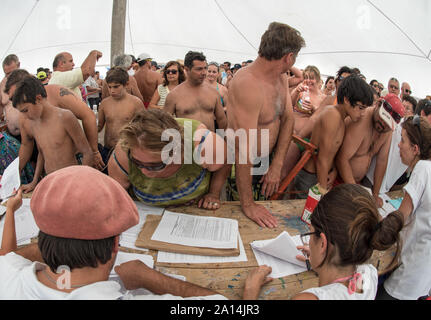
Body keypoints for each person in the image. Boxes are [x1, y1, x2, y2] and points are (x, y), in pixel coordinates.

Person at [0, 166, 227, 300]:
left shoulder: (7, 276)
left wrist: (10, 211)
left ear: (45, 241)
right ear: (115, 245)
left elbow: (7, 258)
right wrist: (149, 278)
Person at [245, 184, 403, 300]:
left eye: (312, 234)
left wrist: (250, 291)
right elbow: (349, 290)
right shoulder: (368, 274)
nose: (310, 242)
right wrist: (324, 261)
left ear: (323, 244)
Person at [225, 22, 303, 228]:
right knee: (241, 224)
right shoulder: (247, 84)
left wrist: (277, 164)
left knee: (267, 222)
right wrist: (248, 204)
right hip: (242, 167)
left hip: (267, 163)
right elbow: (243, 147)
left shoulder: (281, 78)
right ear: (289, 58)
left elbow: (288, 118)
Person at [108, 109, 228, 210]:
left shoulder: (201, 143)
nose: (144, 171)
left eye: (155, 166)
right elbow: (119, 196)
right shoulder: (124, 152)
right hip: (148, 211)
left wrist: (214, 193)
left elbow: (226, 161)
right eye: (137, 163)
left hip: (196, 208)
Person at [5, 69, 105, 179]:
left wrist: (95, 152)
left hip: (74, 168)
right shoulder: (32, 119)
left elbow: (88, 116)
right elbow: (32, 147)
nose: (14, 101)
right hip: (51, 176)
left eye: (15, 95)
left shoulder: (57, 95)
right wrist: (17, 173)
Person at [376, 115, 431, 300]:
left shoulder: (422, 168)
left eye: (403, 140)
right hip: (423, 282)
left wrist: (372, 231)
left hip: (406, 277)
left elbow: (402, 216)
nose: (399, 145)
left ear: (415, 149)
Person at [293, 75, 374, 198]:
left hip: (320, 177)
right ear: (346, 100)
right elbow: (322, 159)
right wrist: (323, 190)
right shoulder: (332, 115)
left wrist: (334, 171)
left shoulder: (342, 119)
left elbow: (333, 153)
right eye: (360, 108)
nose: (363, 114)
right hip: (310, 177)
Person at [336, 94, 405, 207]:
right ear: (377, 105)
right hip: (339, 179)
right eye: (383, 118)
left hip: (355, 184)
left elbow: (382, 162)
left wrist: (375, 194)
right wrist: (356, 192)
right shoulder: (362, 119)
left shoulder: (387, 132)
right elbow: (342, 158)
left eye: (388, 123)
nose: (383, 124)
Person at [164, 51, 227, 132]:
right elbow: (164, 124)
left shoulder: (213, 92)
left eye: (205, 68)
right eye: (199, 69)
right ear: (187, 69)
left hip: (210, 141)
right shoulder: (174, 95)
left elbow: (221, 120)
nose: (204, 72)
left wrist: (222, 141)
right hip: (187, 142)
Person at [98, 67, 145, 168]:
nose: (112, 91)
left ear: (126, 84)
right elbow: (98, 127)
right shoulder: (104, 103)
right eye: (109, 87)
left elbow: (144, 128)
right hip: (108, 149)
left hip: (128, 150)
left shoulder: (136, 103)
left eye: (116, 87)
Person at [290, 65, 326, 134]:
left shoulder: (323, 98)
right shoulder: (300, 90)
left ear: (318, 79)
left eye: (311, 78)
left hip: (305, 136)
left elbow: (323, 120)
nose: (308, 80)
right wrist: (296, 91)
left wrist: (313, 109)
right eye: (306, 77)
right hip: (291, 130)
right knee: (265, 140)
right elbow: (289, 105)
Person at [1, 54, 21, 137]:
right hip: (12, 136)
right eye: (7, 73)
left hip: (32, 132)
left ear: (19, 65)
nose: (10, 76)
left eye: (13, 72)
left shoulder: (29, 81)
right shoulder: (2, 85)